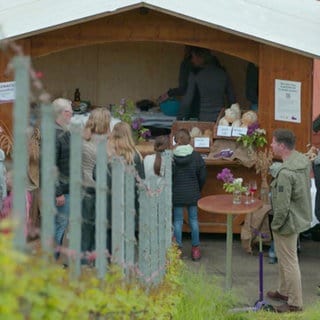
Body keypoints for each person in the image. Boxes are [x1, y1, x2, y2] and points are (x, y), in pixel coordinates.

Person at [267, 129, 312, 313]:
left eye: (273, 142)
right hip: (299, 215)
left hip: (287, 221)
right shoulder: (301, 160)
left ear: (282, 146)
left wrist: (275, 224)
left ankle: (295, 302)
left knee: (289, 261)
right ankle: (284, 291)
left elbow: (283, 205)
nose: (271, 145)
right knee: (285, 259)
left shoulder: (285, 173)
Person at [172, 128, 206, 261]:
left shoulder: (172, 157)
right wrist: (198, 188)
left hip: (177, 193)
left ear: (175, 141)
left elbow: (170, 176)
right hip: (192, 192)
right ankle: (195, 249)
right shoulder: (196, 156)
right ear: (190, 140)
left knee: (178, 222)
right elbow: (203, 175)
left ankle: (178, 249)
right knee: (193, 221)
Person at [81, 108, 111, 259]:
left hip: (84, 188)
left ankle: (84, 261)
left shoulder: (83, 138)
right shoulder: (106, 142)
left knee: (86, 229)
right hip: (99, 189)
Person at [178, 47, 236, 122]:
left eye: (193, 57)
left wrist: (180, 118)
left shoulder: (195, 75)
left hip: (202, 119)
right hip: (221, 118)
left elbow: (187, 100)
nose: (192, 60)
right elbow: (232, 98)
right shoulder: (223, 73)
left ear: (201, 57)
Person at [53, 98, 72, 253]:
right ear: (65, 113)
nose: (71, 116)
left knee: (59, 226)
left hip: (65, 188)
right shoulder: (55, 134)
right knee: (58, 226)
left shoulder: (62, 132)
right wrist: (58, 193)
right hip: (60, 191)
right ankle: (52, 263)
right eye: (71, 113)